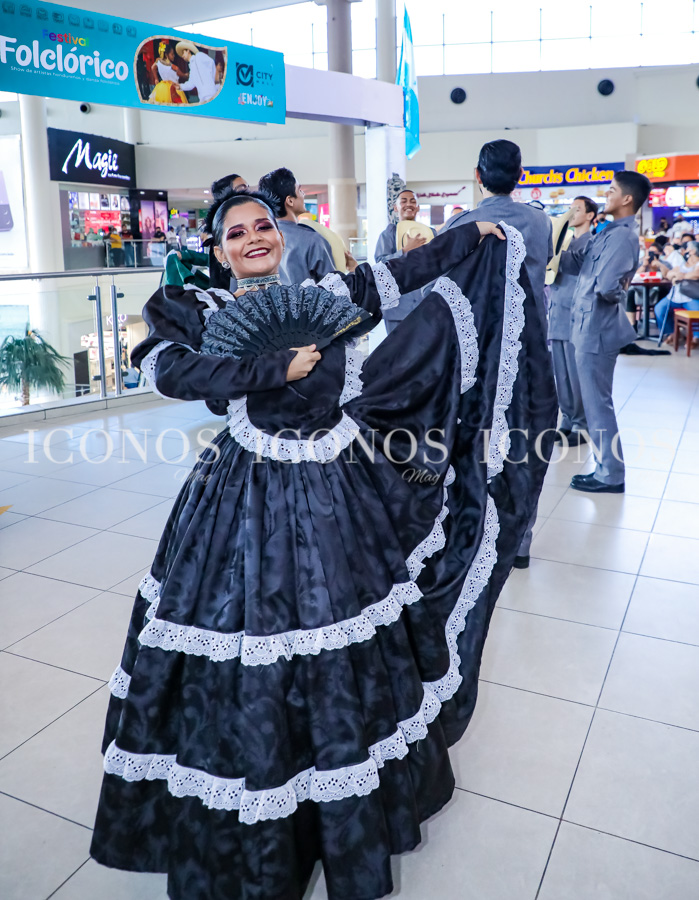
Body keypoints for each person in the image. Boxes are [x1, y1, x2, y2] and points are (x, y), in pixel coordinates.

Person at [90, 188, 557, 900]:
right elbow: (168, 371)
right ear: (218, 251)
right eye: (237, 233)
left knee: (343, 642)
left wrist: (473, 236)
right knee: (248, 640)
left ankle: (336, 799)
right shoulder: (198, 307)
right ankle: (263, 808)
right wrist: (270, 370)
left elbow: (410, 270)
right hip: (242, 491)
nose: (253, 239)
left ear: (281, 236)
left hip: (337, 488)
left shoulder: (328, 294)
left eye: (262, 228)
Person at [437, 139, 553, 569]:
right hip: (528, 351)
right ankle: (518, 543)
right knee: (524, 440)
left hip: (476, 352)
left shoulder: (462, 224)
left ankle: (469, 533)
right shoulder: (540, 223)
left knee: (471, 439)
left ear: (478, 175)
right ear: (520, 176)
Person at [563, 170, 652, 493]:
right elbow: (573, 263)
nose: (607, 194)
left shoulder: (624, 237)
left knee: (598, 403)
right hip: (587, 325)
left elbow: (606, 287)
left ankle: (610, 474)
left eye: (612, 190)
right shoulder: (608, 230)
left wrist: (613, 288)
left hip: (597, 329)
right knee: (594, 401)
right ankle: (606, 469)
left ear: (627, 199)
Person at [548, 196, 597, 446]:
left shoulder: (593, 242)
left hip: (576, 314)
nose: (572, 212)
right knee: (561, 374)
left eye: (578, 209)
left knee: (576, 374)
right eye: (571, 208)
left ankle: (582, 423)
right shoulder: (565, 239)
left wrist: (553, 250)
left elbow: (576, 267)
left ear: (590, 215)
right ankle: (566, 420)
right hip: (557, 312)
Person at [258, 167, 336, 284]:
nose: (303, 194)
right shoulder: (312, 240)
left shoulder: (257, 239)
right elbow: (334, 288)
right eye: (300, 190)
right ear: (290, 201)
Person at [374, 189, 436, 332]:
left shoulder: (430, 232)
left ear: (418, 207)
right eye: (404, 201)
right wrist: (404, 251)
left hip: (424, 304)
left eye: (413, 201)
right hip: (397, 309)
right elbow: (380, 266)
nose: (409, 204)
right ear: (396, 208)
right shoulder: (389, 234)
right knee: (397, 352)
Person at [654, 240, 699, 341]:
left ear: (692, 251)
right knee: (659, 309)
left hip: (691, 297)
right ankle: (673, 333)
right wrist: (674, 275)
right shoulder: (682, 264)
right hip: (674, 297)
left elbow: (696, 274)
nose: (683, 251)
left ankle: (696, 337)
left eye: (686, 249)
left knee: (697, 312)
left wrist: (681, 276)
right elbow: (669, 274)